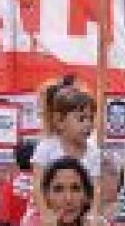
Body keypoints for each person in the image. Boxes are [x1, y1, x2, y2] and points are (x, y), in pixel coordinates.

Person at [32, 76, 115, 204]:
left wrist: (92, 212)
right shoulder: (46, 148)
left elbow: (95, 191)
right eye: (81, 119)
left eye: (91, 119)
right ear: (60, 121)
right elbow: (38, 188)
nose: (88, 124)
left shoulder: (93, 153)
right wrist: (46, 213)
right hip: (49, 210)